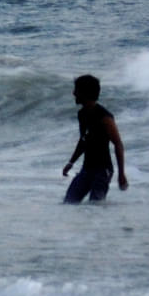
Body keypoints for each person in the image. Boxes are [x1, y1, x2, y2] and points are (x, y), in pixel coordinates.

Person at [62, 74, 128, 203]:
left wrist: (121, 174)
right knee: (69, 202)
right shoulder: (82, 114)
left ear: (85, 93)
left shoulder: (104, 117)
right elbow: (83, 140)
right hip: (87, 169)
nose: (73, 93)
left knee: (95, 205)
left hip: (103, 171)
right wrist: (71, 162)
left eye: (76, 90)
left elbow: (118, 144)